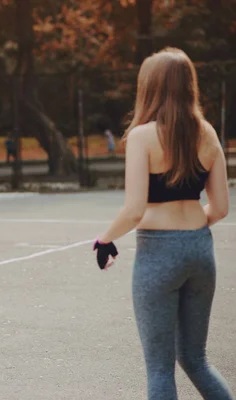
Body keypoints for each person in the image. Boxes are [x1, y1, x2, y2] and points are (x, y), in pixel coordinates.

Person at [93, 47, 233, 400]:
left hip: (158, 252)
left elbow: (135, 209)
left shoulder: (142, 136)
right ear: (189, 85)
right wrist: (190, 229)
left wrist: (105, 239)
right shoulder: (209, 134)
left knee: (159, 368)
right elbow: (220, 208)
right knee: (196, 359)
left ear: (150, 87)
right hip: (201, 250)